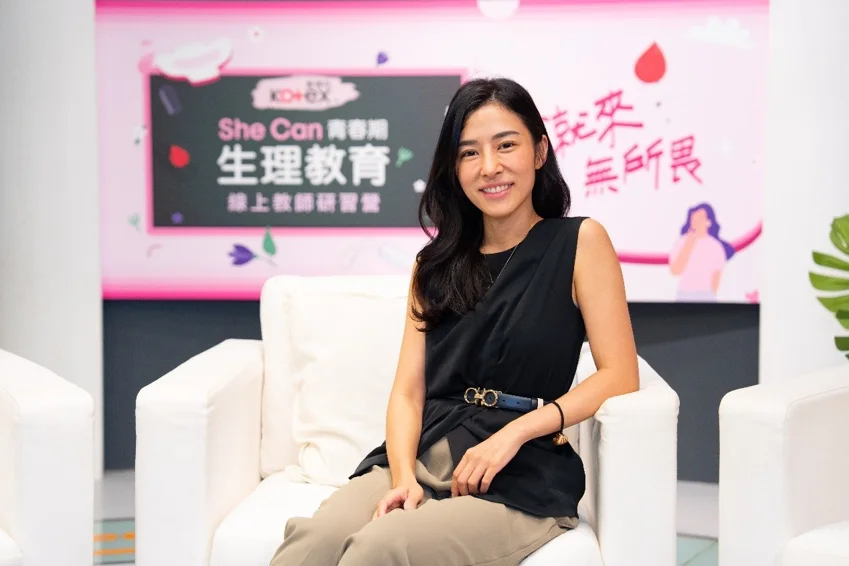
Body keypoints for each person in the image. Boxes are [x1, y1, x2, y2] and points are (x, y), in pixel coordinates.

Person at [269, 77, 639, 566]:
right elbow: (408, 392)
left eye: (506, 145)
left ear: (539, 151)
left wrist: (516, 432)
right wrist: (404, 477)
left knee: (380, 549)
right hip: (427, 450)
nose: (489, 167)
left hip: (522, 472)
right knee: (313, 542)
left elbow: (620, 374)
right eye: (469, 153)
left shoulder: (581, 242)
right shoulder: (434, 264)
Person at [669, 202, 735, 302]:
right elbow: (675, 270)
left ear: (708, 222)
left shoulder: (716, 247)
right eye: (693, 219)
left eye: (699, 219)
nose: (695, 222)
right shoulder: (682, 242)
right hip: (684, 294)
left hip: (706, 296)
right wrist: (689, 244)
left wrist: (710, 295)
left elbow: (716, 278)